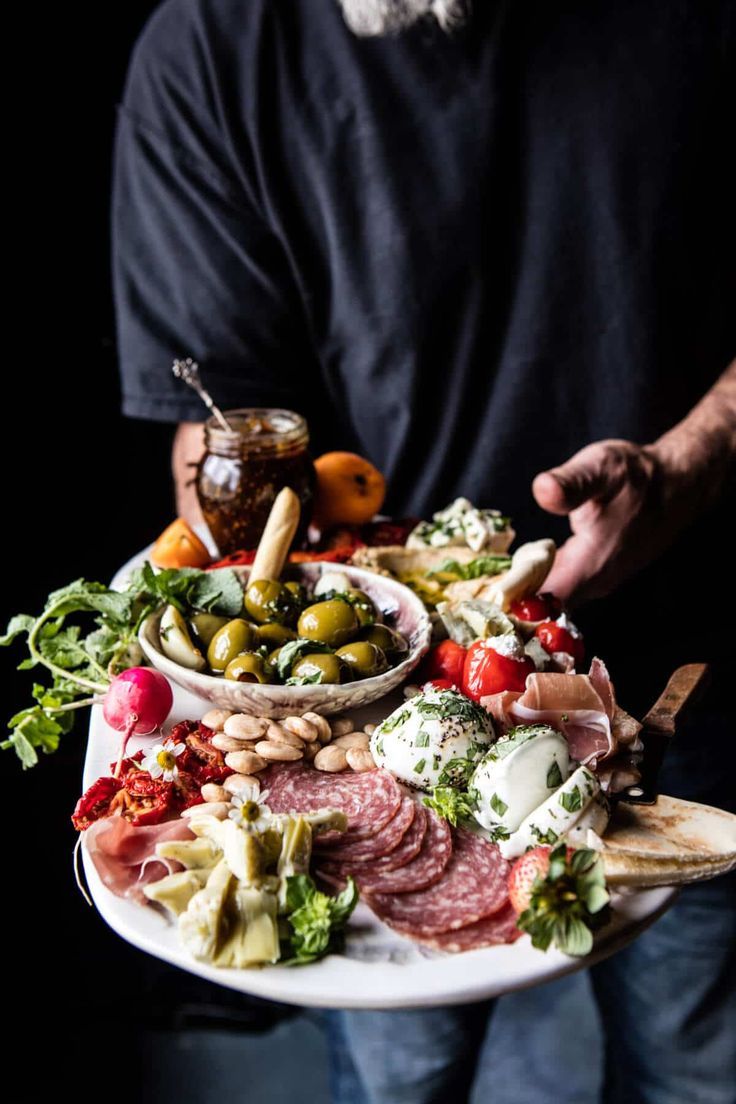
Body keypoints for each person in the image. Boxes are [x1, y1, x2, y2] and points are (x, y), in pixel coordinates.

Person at [111, 2, 736, 1101]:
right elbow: (225, 423)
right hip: (372, 730)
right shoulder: (211, 41)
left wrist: (689, 463)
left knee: (693, 1062)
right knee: (400, 1079)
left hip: (705, 642)